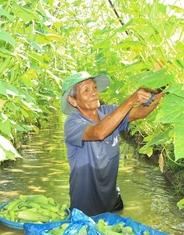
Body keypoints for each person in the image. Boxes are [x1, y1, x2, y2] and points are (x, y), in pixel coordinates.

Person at [61, 71, 163, 216]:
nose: (94, 93)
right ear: (73, 101)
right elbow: (99, 132)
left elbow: (140, 113)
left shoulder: (108, 112)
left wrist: (164, 90)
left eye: (95, 88)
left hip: (112, 200)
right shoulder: (72, 123)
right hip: (85, 207)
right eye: (86, 90)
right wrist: (130, 101)